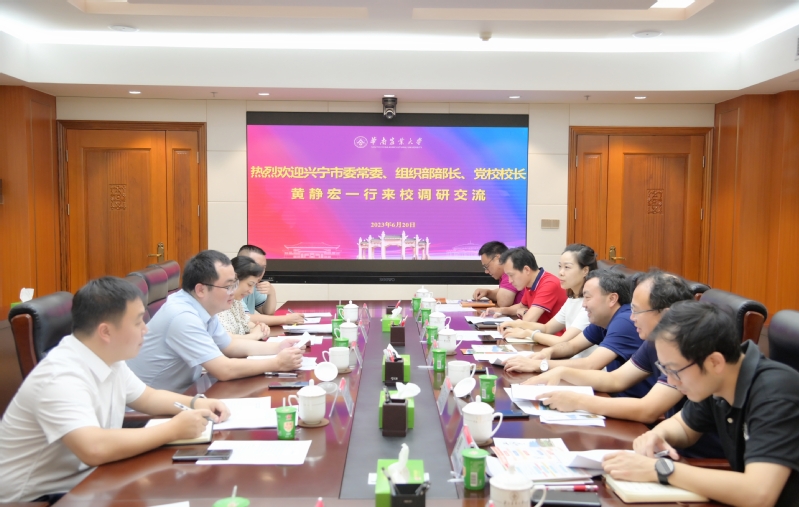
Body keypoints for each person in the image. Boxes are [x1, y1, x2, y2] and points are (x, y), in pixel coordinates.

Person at [0, 277, 230, 503]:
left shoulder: (108, 357)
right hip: (34, 498)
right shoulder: (59, 376)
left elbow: (148, 397)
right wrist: (173, 429)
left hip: (86, 479)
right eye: (138, 322)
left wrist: (197, 403)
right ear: (106, 332)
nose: (145, 329)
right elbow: (94, 448)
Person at [602, 301, 799, 507]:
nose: (671, 381)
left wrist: (659, 469)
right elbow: (682, 426)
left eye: (674, 370)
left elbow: (759, 494)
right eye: (665, 370)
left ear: (715, 362)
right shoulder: (718, 381)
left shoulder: (775, 394)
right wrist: (657, 435)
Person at [127, 250, 304, 393]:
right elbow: (224, 370)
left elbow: (230, 346)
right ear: (201, 289)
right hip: (150, 413)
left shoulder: (203, 307)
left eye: (234, 284)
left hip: (185, 394)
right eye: (228, 286)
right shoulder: (182, 317)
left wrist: (279, 347)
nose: (233, 292)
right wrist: (277, 363)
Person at [507, 270, 653, 398]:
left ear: (612, 299)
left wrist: (539, 365)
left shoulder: (624, 321)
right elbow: (571, 346)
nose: (583, 304)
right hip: (612, 395)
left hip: (629, 400)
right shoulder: (603, 319)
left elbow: (590, 364)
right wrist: (548, 352)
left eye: (587, 298)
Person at [498, 244, 596, 351]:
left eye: (567, 267)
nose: (561, 272)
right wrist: (517, 323)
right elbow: (547, 328)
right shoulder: (572, 299)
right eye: (560, 266)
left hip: (576, 358)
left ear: (585, 270)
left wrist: (527, 333)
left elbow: (563, 341)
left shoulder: (590, 304)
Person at [485, 247, 567, 324]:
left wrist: (524, 312)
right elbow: (521, 306)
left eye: (511, 275)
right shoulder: (530, 283)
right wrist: (500, 310)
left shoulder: (549, 284)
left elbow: (528, 320)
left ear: (526, 270)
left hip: (551, 334)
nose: (510, 281)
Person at [237, 244, 305, 326]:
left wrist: (271, 292)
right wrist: (286, 319)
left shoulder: (254, 285)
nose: (261, 272)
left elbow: (267, 313)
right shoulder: (232, 287)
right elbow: (245, 318)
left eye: (263, 267)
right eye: (257, 267)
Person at [217, 256, 270, 341]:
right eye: (250, 284)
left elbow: (245, 323)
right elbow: (226, 340)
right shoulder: (217, 304)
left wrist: (261, 327)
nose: (251, 291)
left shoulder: (236, 301)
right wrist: (255, 335)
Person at [472, 241, 523, 307]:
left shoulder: (510, 272)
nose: (486, 271)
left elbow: (503, 302)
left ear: (498, 259)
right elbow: (502, 292)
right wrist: (487, 292)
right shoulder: (506, 272)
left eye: (487, 266)